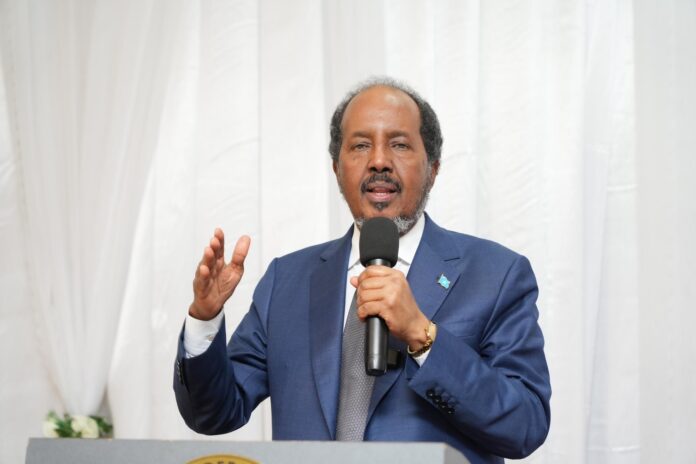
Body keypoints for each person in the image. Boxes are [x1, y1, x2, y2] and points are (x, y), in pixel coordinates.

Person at [174, 78, 551, 463]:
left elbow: (525, 425)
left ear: (433, 168)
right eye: (360, 146)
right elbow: (214, 413)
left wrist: (424, 337)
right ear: (337, 168)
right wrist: (205, 318)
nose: (379, 161)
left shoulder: (496, 276)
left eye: (399, 144)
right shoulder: (286, 281)